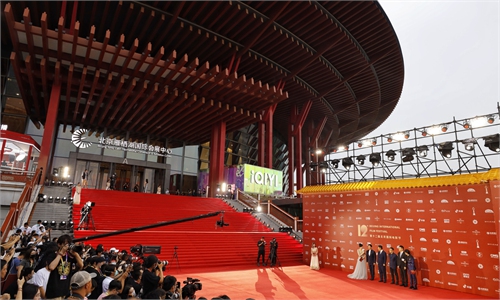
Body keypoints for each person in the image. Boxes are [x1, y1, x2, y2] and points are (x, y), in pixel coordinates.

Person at [45, 234, 84, 299]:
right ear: (59, 244)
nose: (67, 246)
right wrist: (61, 253)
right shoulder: (53, 254)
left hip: (66, 291)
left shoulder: (69, 256)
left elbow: (81, 265)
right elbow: (51, 267)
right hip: (54, 292)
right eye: (65, 244)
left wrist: (76, 254)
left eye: (68, 244)